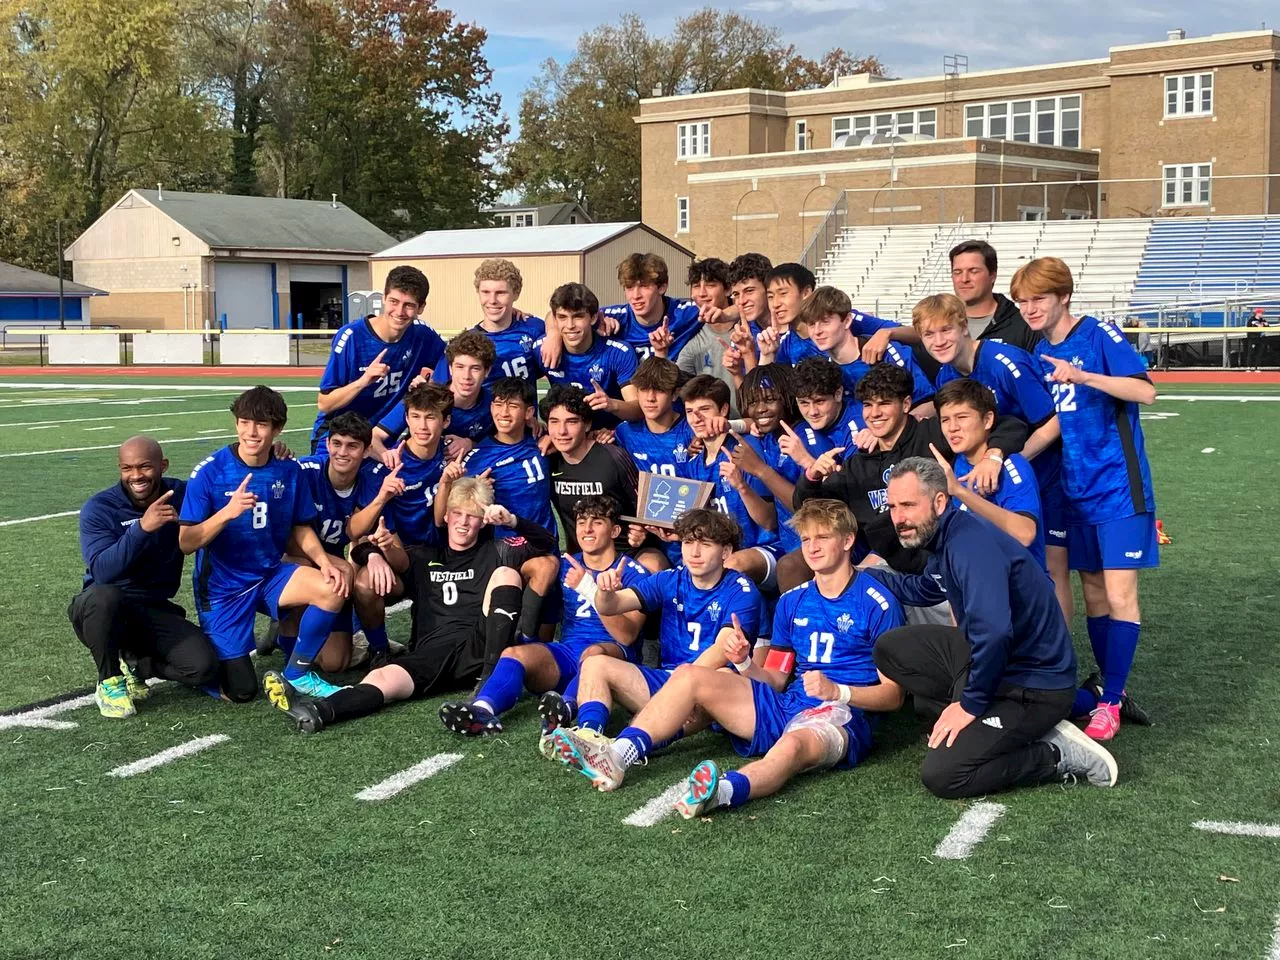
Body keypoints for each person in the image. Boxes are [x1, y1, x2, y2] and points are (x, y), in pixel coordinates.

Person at [550, 500, 907, 803]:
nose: (812, 547)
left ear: (848, 540)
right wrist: (745, 662)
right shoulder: (792, 601)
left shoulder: (878, 602)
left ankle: (721, 792)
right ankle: (617, 754)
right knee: (692, 676)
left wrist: (838, 692)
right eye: (806, 538)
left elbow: (894, 697)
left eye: (823, 537)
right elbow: (777, 680)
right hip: (786, 703)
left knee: (793, 746)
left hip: (839, 714)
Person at [869, 458, 1119, 797]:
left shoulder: (968, 546)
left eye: (909, 505)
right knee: (891, 650)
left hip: (1034, 685)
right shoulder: (948, 536)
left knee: (943, 774)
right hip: (1003, 665)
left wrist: (970, 704)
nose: (899, 518)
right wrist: (862, 575)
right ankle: (993, 723)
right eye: (894, 506)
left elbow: (995, 632)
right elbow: (927, 588)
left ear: (940, 502)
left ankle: (1056, 753)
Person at [264, 479, 556, 732]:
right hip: (431, 652)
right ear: (447, 515)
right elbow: (364, 546)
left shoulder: (497, 550)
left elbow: (547, 543)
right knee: (382, 678)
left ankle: (490, 682)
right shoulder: (426, 555)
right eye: (457, 513)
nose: (464, 522)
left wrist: (512, 521)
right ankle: (320, 711)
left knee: (506, 574)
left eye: (473, 515)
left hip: (479, 646)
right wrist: (377, 553)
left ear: (483, 521)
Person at [1015, 256, 1159, 741]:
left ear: (1064, 297)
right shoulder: (1039, 352)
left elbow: (1144, 392)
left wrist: (1084, 376)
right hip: (1074, 492)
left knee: (1120, 595)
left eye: (1039, 298)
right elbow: (1060, 420)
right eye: (1023, 300)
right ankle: (1105, 688)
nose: (1030, 308)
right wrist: (1012, 459)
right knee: (1094, 594)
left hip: (1119, 488)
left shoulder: (1099, 334)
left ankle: (1112, 701)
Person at [179, 387, 351, 702]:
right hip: (223, 589)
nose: (251, 432)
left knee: (332, 585)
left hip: (269, 575)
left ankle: (297, 673)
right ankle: (165, 661)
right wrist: (226, 514)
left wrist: (325, 562)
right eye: (244, 422)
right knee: (241, 691)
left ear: (277, 429)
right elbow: (186, 542)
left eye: (261, 424)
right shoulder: (210, 472)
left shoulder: (288, 469)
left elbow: (300, 527)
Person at [539, 509, 763, 741]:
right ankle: (588, 736)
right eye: (688, 542)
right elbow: (612, 606)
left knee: (722, 672)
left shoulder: (741, 590)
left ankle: (636, 740)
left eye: (705, 544)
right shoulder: (669, 579)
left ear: (726, 551)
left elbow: (721, 649)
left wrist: (680, 690)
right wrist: (602, 591)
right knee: (595, 664)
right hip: (668, 679)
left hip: (710, 686)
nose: (694, 552)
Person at [789, 363, 1027, 580]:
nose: (874, 413)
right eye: (868, 405)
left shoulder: (931, 433)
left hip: (944, 560)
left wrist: (993, 456)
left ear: (905, 404)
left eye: (884, 403)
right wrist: (812, 476)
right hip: (895, 567)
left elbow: (1009, 425)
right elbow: (808, 507)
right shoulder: (857, 466)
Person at [438, 495, 648, 736]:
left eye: (597, 522)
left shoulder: (633, 572)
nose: (587, 529)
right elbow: (532, 570)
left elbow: (628, 636)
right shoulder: (566, 564)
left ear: (615, 530)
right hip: (569, 653)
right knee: (514, 653)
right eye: (581, 522)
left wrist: (591, 590)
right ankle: (481, 711)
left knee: (593, 655)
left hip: (613, 657)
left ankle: (566, 708)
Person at [915, 293, 1069, 614]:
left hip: (1045, 474)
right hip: (996, 477)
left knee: (1050, 568)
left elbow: (1054, 420)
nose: (939, 341)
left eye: (946, 330)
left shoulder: (1003, 362)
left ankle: (1059, 656)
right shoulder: (947, 375)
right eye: (929, 334)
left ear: (964, 327)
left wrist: (1003, 460)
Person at [69, 436, 217, 718]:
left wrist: (274, 456)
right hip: (103, 611)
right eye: (127, 468)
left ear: (163, 466)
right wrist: (142, 528)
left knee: (203, 667)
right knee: (105, 596)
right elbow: (102, 571)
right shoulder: (100, 508)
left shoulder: (182, 494)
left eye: (145, 467)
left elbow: (224, 487)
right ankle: (109, 680)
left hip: (153, 608)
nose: (136, 476)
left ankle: (138, 664)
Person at [290, 411, 395, 670]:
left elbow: (352, 531)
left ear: (366, 449)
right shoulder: (305, 471)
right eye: (336, 443)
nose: (342, 452)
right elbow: (290, 535)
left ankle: (373, 646)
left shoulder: (371, 478)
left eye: (352, 446)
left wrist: (381, 498)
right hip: (295, 557)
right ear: (327, 444)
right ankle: (287, 627)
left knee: (335, 663)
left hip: (331, 569)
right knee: (339, 570)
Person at [309, 265, 443, 451]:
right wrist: (363, 382)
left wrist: (430, 382)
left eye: (409, 305)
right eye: (393, 302)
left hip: (385, 437)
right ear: (383, 298)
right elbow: (324, 403)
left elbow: (450, 361)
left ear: (421, 307)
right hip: (341, 436)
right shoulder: (352, 337)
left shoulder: (423, 335)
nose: (399, 311)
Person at [931, 379, 1046, 570]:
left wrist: (960, 492)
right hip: (977, 581)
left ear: (987, 420)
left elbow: (1025, 533)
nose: (952, 427)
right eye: (945, 420)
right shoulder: (955, 463)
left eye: (962, 417)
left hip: (1021, 588)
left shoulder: (1011, 467)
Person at [798, 286, 935, 417]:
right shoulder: (820, 366)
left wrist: (884, 430)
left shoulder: (887, 353)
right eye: (811, 324)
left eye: (825, 322)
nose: (817, 331)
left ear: (846, 321)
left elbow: (929, 404)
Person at [371, 330, 495, 465]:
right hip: (411, 472)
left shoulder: (494, 404)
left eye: (475, 368)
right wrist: (387, 458)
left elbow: (503, 442)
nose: (466, 376)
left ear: (487, 371)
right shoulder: (425, 396)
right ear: (450, 369)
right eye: (460, 367)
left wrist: (470, 443)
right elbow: (373, 436)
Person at [542, 385, 639, 554]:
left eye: (571, 422)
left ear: (587, 425)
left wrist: (641, 531)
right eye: (554, 422)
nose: (562, 431)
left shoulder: (613, 457)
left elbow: (643, 507)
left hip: (627, 554)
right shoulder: (548, 462)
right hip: (581, 559)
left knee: (652, 564)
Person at [532, 283, 642, 428]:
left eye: (578, 317)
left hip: (608, 436)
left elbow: (637, 410)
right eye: (562, 317)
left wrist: (611, 404)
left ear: (593, 317)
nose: (570, 325)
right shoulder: (542, 349)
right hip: (565, 435)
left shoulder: (617, 352)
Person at [654, 256, 745, 415]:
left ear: (728, 289)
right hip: (712, 429)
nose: (702, 293)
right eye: (696, 286)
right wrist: (661, 353)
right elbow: (672, 385)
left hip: (753, 426)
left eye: (710, 285)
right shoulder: (693, 338)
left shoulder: (750, 326)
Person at [435, 258, 544, 383]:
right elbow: (438, 390)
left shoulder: (535, 328)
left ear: (516, 293)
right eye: (486, 292)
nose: (492, 300)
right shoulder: (464, 344)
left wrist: (554, 332)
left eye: (500, 293)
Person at [949, 239, 1040, 350]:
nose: (964, 279)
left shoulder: (1024, 326)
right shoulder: (938, 326)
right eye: (957, 272)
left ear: (993, 275)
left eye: (973, 271)